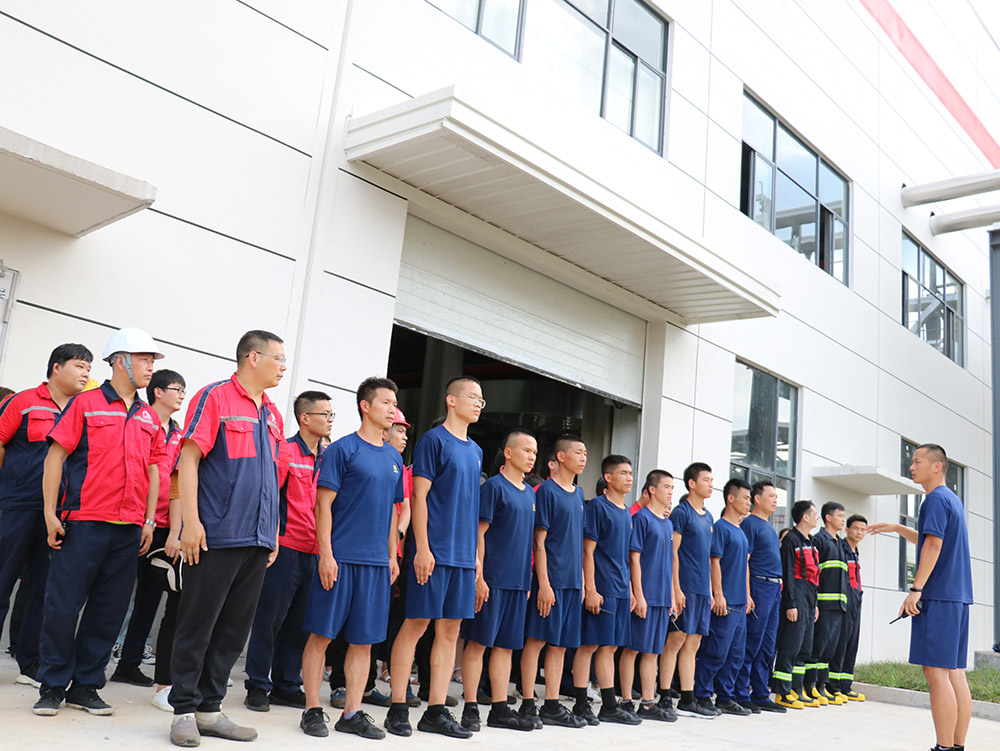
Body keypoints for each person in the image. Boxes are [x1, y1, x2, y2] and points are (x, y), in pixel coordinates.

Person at [34, 329, 165, 716]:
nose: (150, 367)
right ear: (120, 361)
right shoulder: (86, 404)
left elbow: (154, 469)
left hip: (128, 528)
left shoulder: (148, 415)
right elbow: (55, 457)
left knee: (109, 611)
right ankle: (52, 685)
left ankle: (86, 686)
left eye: (153, 361)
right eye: (144, 359)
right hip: (84, 522)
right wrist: (49, 513)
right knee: (62, 606)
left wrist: (148, 520)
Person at [168, 330, 286, 747]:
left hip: (257, 537)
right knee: (198, 624)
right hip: (216, 534)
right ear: (253, 358)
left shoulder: (272, 412)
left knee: (234, 630)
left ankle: (209, 709)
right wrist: (191, 523)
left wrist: (272, 531)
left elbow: (272, 477)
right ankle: (183, 710)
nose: (283, 366)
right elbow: (189, 459)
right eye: (278, 358)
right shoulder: (215, 397)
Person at [299, 378, 402, 739]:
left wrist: (392, 556)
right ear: (365, 406)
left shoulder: (394, 457)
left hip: (376, 565)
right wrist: (326, 554)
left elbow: (392, 511)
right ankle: (312, 708)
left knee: (364, 641)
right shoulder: (342, 450)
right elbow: (322, 505)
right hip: (341, 558)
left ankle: (352, 712)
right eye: (386, 402)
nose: (392, 410)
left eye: (395, 404)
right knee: (321, 635)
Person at [385, 376, 484, 739]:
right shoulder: (433, 441)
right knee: (417, 624)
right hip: (434, 551)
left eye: (482, 399)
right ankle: (398, 707)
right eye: (472, 397)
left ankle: (436, 711)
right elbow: (420, 497)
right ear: (451, 400)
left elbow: (470, 506)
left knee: (450, 630)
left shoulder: (476, 450)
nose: (478, 403)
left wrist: (475, 557)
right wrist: (422, 548)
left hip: (462, 556)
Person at [0, 343, 92, 688]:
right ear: (56, 367)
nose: (85, 373)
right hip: (17, 506)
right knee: (2, 579)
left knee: (43, 588)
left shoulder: (83, 410)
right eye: (80, 366)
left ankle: (30, 663)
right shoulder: (23, 401)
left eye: (88, 368)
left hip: (58, 513)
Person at [869, 444, 973, 751]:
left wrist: (915, 590)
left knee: (935, 672)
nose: (911, 466)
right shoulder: (951, 499)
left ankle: (944, 747)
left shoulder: (935, 500)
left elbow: (934, 546)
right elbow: (931, 539)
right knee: (954, 672)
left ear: (937, 466)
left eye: (917, 461)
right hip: (957, 597)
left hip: (939, 596)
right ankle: (955, 746)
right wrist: (899, 527)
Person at [244, 391, 333, 713]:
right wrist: (271, 539)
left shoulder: (331, 458)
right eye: (325, 414)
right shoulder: (285, 451)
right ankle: (258, 684)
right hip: (286, 548)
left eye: (332, 414)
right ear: (305, 418)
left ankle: (286, 684)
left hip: (316, 551)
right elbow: (269, 497)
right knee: (269, 620)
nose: (330, 420)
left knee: (300, 623)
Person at [110, 370, 186, 703]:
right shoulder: (140, 422)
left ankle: (129, 663)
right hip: (131, 520)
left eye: (183, 390)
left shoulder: (180, 434)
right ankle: (94, 660)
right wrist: (145, 519)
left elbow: (179, 484)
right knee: (113, 593)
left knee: (149, 598)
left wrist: (176, 532)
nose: (181, 395)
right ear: (157, 392)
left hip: (165, 527)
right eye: (176, 389)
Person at [459, 430, 538, 732]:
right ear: (508, 452)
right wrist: (479, 577)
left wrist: (527, 581)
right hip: (492, 580)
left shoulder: (530, 493)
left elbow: (528, 541)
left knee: (505, 647)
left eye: (534, 452)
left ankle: (500, 708)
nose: (531, 456)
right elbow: (478, 534)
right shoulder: (493, 487)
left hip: (518, 583)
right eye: (526, 450)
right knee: (479, 643)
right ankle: (470, 706)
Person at [518, 435, 588, 729]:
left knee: (560, 645)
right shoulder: (546, 491)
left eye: (585, 453)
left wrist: (582, 581)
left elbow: (578, 541)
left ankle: (552, 704)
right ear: (560, 456)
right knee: (536, 641)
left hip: (572, 582)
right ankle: (527, 702)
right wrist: (544, 584)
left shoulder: (579, 493)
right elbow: (539, 542)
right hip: (551, 580)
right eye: (578, 452)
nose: (583, 458)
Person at [571, 454, 639, 726]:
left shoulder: (625, 511)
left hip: (621, 589)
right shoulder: (598, 507)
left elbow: (625, 556)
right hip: (602, 588)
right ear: (608, 478)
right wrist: (590, 588)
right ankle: (580, 703)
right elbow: (587, 551)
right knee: (589, 645)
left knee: (610, 647)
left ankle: (609, 706)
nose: (629, 478)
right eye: (623, 473)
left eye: (631, 473)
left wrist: (631, 590)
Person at [618, 469, 675, 722]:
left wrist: (671, 596)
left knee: (653, 651)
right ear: (652, 489)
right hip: (646, 595)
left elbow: (669, 562)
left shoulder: (668, 523)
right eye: (666, 487)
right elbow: (634, 558)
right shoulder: (642, 519)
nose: (670, 492)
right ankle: (626, 700)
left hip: (662, 598)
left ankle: (648, 702)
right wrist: (638, 595)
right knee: (632, 649)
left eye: (672, 488)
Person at [661, 462, 717, 719]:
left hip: (702, 590)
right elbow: (673, 553)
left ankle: (687, 698)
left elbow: (708, 558)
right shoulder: (681, 513)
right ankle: (664, 696)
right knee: (675, 640)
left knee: (693, 643)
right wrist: (676, 588)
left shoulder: (709, 517)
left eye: (712, 480)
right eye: (706, 480)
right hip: (684, 587)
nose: (711, 484)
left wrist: (711, 591)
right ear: (692, 483)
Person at [694, 478, 752, 716]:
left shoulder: (740, 531)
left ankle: (725, 697)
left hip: (740, 602)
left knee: (736, 655)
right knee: (715, 651)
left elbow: (745, 566)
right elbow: (713, 562)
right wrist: (718, 594)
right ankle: (702, 695)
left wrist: (748, 595)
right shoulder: (720, 528)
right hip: (725, 602)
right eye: (745, 498)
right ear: (731, 498)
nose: (749, 503)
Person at [736, 480, 786, 713]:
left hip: (774, 589)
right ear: (757, 499)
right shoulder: (750, 524)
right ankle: (741, 692)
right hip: (758, 585)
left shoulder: (769, 526)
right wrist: (747, 593)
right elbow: (744, 562)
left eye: (776, 496)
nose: (775, 500)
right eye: (771, 496)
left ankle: (761, 693)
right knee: (752, 641)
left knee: (768, 644)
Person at [771, 500, 820, 709]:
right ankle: (782, 692)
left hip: (809, 597)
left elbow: (815, 576)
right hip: (796, 596)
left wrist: (814, 604)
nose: (817, 518)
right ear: (805, 517)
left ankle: (796, 689)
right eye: (814, 514)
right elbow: (788, 574)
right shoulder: (791, 540)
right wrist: (791, 604)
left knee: (804, 648)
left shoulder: (811, 542)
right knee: (790, 645)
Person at [806, 501, 848, 706]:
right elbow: (813, 574)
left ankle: (822, 686)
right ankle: (810, 686)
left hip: (838, 606)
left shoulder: (840, 543)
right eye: (840, 516)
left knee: (829, 650)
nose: (843, 520)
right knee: (818, 647)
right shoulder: (819, 540)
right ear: (828, 518)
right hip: (823, 605)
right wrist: (814, 603)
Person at [829, 514, 866, 702]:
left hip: (856, 598)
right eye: (856, 528)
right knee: (841, 642)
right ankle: (833, 686)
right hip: (845, 599)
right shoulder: (841, 549)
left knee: (852, 642)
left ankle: (845, 685)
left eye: (863, 530)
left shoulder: (855, 551)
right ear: (848, 529)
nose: (859, 532)